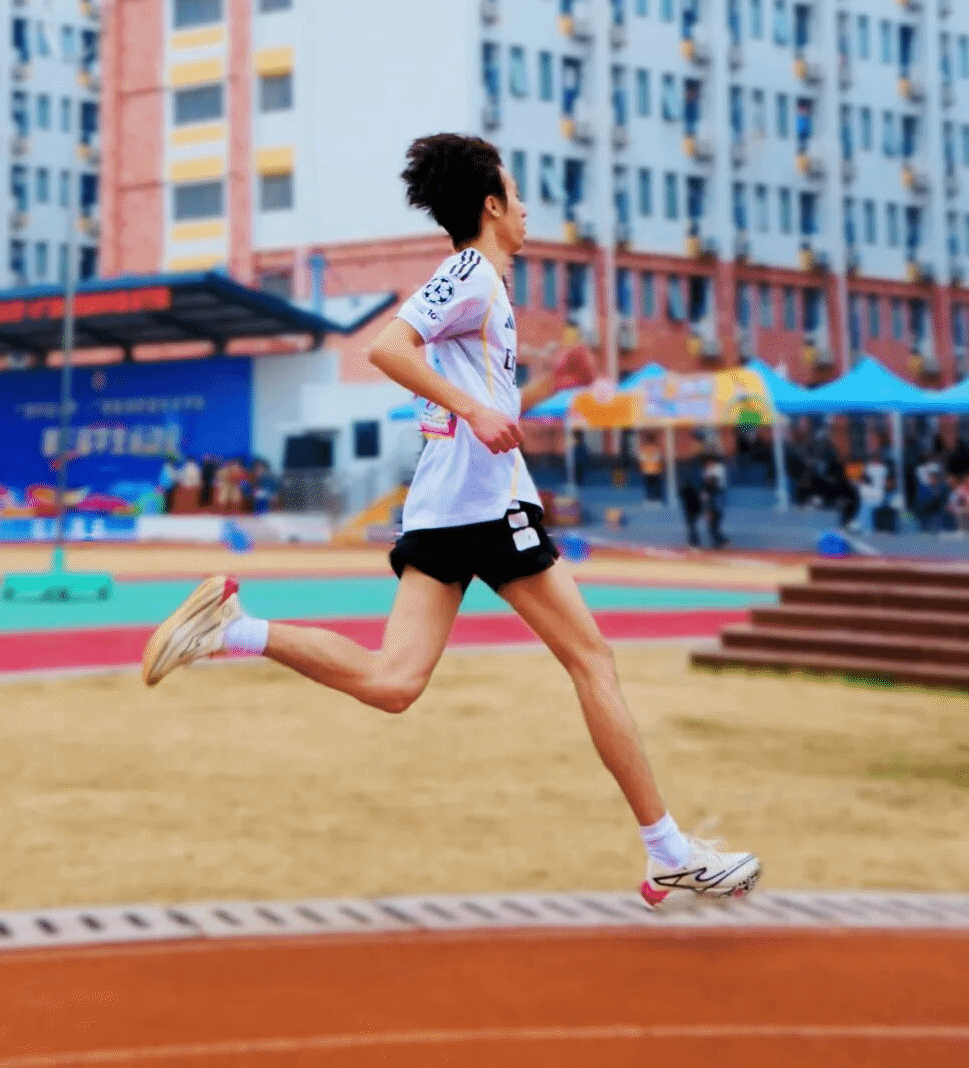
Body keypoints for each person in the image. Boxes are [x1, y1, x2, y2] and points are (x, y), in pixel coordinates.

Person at [142, 133, 761, 908]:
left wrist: (538, 388)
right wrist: (474, 407)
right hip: (486, 506)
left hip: (448, 504)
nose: (527, 209)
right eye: (517, 193)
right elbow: (388, 348)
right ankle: (668, 849)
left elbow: (492, 411)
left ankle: (234, 630)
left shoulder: (486, 290)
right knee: (593, 659)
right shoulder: (470, 273)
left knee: (393, 681)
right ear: (492, 205)